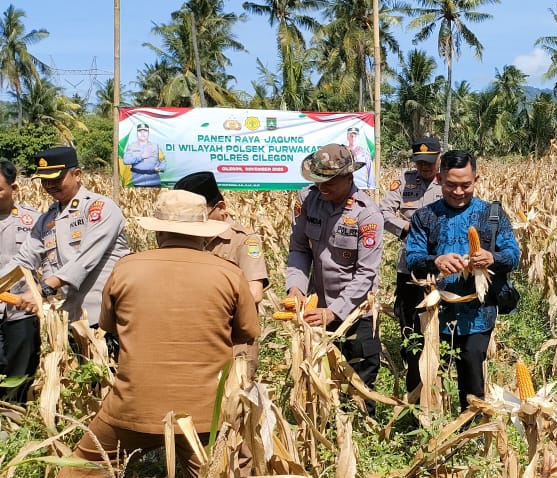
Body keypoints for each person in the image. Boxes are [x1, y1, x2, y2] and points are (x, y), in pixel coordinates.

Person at [45, 190, 260, 478]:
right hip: (205, 412)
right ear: (203, 233)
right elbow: (247, 332)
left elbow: (109, 325)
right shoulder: (229, 273)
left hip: (132, 403)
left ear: (158, 231)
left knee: (84, 470)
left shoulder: (126, 268)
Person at [404, 149, 521, 411]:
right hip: (434, 316)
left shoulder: (492, 214)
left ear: (476, 179)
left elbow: (513, 255)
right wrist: (435, 261)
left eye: (465, 185)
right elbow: (412, 257)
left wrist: (492, 258)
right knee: (427, 380)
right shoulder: (424, 217)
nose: (458, 192)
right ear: (439, 180)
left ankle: (473, 428)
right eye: (451, 185)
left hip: (478, 315)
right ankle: (429, 425)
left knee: (472, 385)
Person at [285, 143, 384, 408]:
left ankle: (363, 428)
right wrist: (295, 287)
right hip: (316, 309)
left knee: (360, 386)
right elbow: (299, 249)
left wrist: (334, 312)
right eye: (318, 180)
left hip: (355, 313)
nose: (322, 187)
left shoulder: (367, 213)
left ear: (348, 177)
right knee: (321, 384)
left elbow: (366, 273)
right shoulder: (308, 200)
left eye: (329, 182)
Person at [4, 146, 130, 329]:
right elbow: (24, 259)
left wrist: (42, 289)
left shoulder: (100, 208)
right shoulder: (47, 218)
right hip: (69, 319)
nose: (49, 186)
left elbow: (85, 259)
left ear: (77, 174)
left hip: (103, 317)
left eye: (55, 179)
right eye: (44, 180)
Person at [173, 171, 269, 375]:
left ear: (221, 207)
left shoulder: (244, 240)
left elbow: (254, 293)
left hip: (233, 343)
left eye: (201, 217)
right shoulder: (187, 237)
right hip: (194, 340)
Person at [382, 136, 443, 396]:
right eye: (420, 162)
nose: (424, 167)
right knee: (408, 317)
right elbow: (383, 212)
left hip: (442, 265)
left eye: (429, 162)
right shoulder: (404, 181)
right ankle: (412, 365)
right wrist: (407, 228)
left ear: (439, 158)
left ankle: (439, 367)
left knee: (440, 317)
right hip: (409, 265)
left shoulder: (449, 181)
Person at [0, 160, 41, 403]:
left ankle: (14, 415)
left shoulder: (33, 220)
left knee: (19, 373)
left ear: (14, 188)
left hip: (20, 310)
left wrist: (40, 294)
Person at [123, 123, 166, 187]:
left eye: (145, 131)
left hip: (154, 182)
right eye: (140, 131)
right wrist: (141, 156)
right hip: (138, 182)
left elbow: (163, 161)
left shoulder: (155, 146)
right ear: (137, 133)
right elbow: (126, 161)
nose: (142, 133)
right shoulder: (131, 146)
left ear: (148, 133)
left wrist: (160, 167)